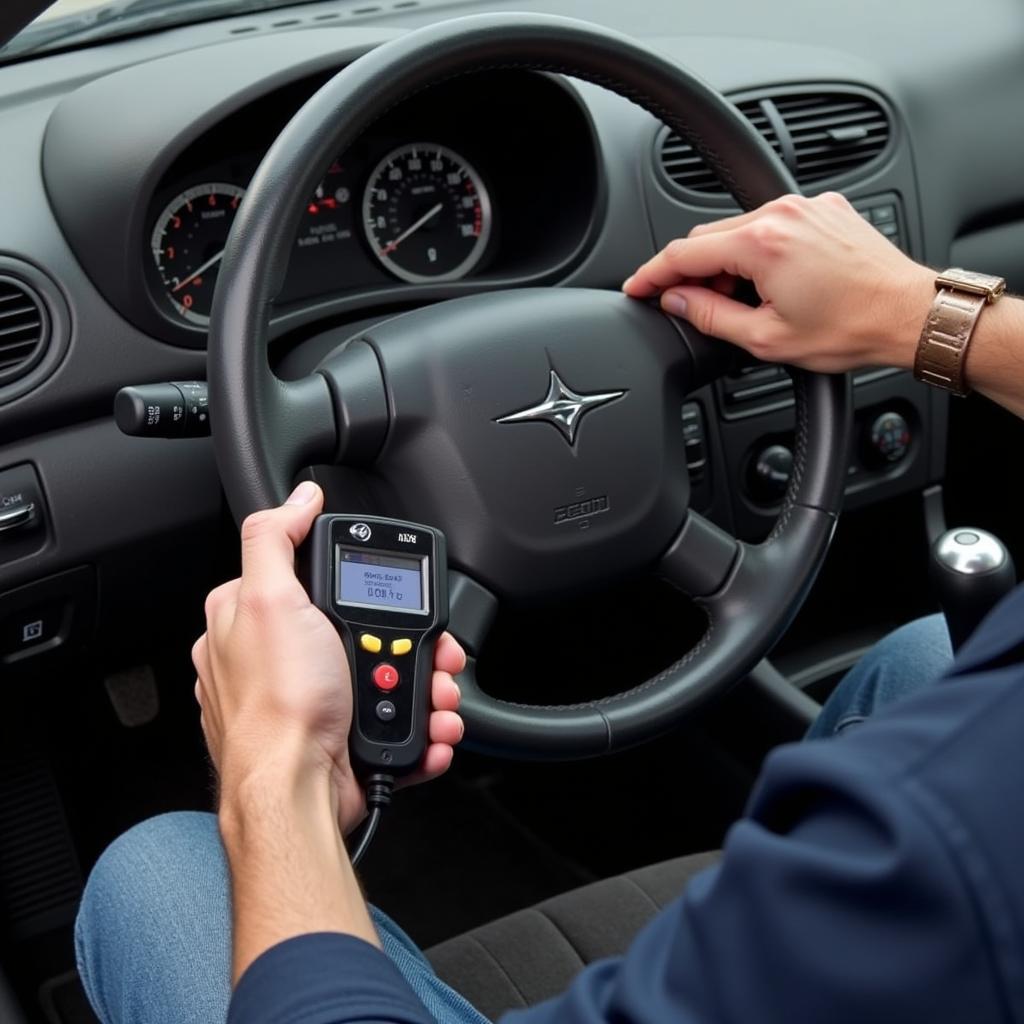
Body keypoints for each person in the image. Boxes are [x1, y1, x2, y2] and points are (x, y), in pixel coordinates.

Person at [76, 193, 1024, 1023]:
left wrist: (277, 769)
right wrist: (921, 313)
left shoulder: (956, 848)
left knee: (157, 874)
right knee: (929, 653)